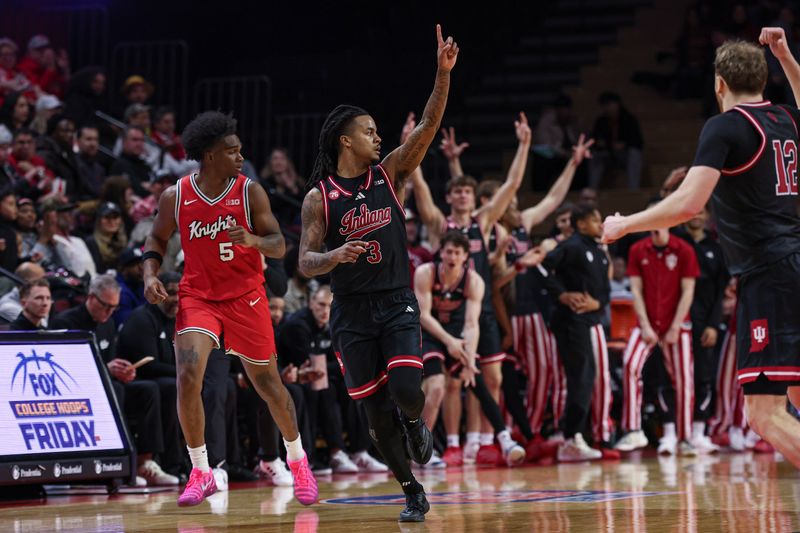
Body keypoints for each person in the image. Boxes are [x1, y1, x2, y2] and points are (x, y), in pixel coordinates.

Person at [602, 28, 800, 468]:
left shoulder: (726, 126)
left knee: (764, 413)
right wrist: (785, 54)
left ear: (719, 84)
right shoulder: (786, 118)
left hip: (770, 274)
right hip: (792, 263)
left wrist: (625, 224)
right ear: (764, 81)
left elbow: (689, 204)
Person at [298, 25, 459, 523]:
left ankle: (415, 422)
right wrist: (334, 256)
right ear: (346, 139)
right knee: (372, 416)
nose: (378, 136)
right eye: (369, 131)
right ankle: (411, 489)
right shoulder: (318, 197)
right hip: (351, 312)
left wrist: (441, 74)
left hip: (395, 301)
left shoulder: (390, 174)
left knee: (409, 388)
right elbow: (304, 261)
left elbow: (429, 125)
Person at [142, 110, 316, 507]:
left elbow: (280, 245)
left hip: (246, 297)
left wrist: (254, 241)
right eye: (232, 151)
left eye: (240, 150)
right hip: (198, 297)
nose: (240, 157)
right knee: (188, 376)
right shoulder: (177, 196)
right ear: (208, 155)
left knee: (269, 386)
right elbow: (155, 239)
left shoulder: (250, 191)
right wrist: (151, 276)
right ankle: (201, 471)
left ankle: (298, 460)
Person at [409, 112, 531, 466]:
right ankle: (453, 444)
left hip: (480, 308)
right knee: (447, 383)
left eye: (467, 191)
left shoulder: (484, 220)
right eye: (457, 190)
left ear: (473, 197)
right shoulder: (438, 224)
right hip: (445, 314)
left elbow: (511, 185)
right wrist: (413, 143)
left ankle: (480, 441)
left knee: (487, 376)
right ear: (450, 197)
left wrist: (524, 145)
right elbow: (419, 187)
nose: (463, 195)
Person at [415, 231, 526, 467]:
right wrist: (449, 341)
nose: (452, 256)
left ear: (466, 256)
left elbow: (471, 323)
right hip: (429, 334)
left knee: (473, 379)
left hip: (455, 332)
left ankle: (505, 440)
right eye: (448, 251)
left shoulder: (474, 280)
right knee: (436, 387)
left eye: (457, 252)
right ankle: (421, 449)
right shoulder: (425, 272)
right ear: (440, 253)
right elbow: (423, 316)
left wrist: (469, 361)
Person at [613, 217, 699, 456]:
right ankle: (632, 429)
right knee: (630, 363)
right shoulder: (637, 250)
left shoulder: (684, 250)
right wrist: (645, 325)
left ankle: (685, 437)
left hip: (677, 324)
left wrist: (675, 326)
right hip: (646, 324)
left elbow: (688, 291)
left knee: (684, 380)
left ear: (669, 223)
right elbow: (636, 291)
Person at [540, 203, 612, 461]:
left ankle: (575, 436)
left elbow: (605, 290)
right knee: (580, 377)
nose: (600, 224)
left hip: (589, 320)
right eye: (594, 220)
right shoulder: (571, 246)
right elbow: (541, 268)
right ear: (580, 224)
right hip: (569, 321)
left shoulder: (600, 251)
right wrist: (561, 294)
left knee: (588, 376)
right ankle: (571, 438)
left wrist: (598, 304)